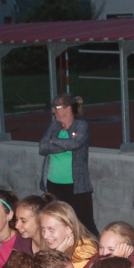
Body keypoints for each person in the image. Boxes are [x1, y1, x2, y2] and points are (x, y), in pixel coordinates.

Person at [39, 93, 98, 235]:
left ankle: (97, 248)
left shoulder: (81, 125)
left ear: (67, 109)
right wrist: (67, 144)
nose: (53, 111)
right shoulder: (54, 126)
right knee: (57, 222)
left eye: (56, 107)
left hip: (77, 186)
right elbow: (42, 147)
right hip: (53, 184)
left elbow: (76, 144)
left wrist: (54, 141)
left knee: (85, 224)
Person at [39, 200, 97, 268]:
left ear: (68, 229)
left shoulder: (85, 250)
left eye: (51, 229)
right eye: (43, 229)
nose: (45, 236)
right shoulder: (53, 245)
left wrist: (58, 255)